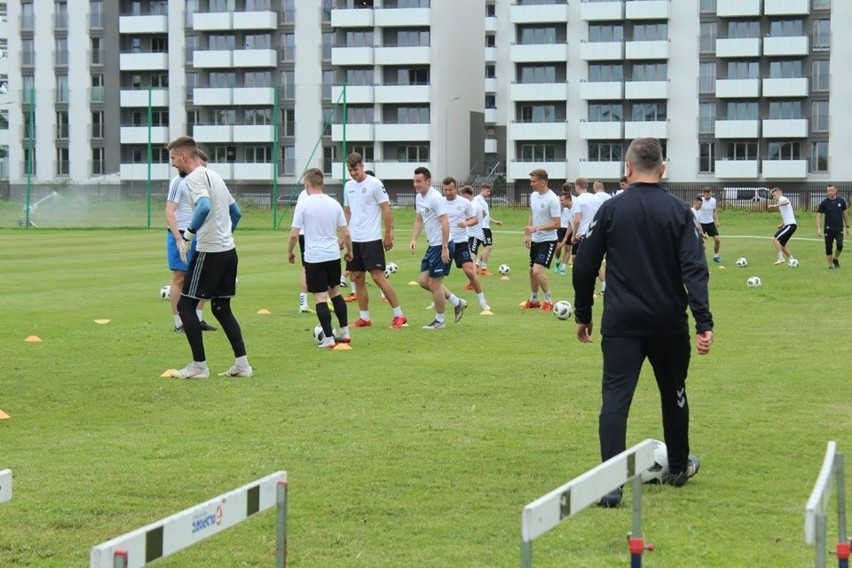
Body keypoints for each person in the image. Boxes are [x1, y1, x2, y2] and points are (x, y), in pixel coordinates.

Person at [573, 137, 713, 508]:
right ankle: (679, 467)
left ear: (628, 168)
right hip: (669, 323)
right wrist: (703, 321)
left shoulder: (611, 209)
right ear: (662, 169)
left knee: (616, 399)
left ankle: (610, 486)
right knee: (675, 393)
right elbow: (695, 269)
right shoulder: (680, 211)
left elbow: (585, 265)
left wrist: (583, 314)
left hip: (622, 323)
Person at [166, 136, 252, 379]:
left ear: (183, 156)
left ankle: (199, 367)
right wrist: (225, 234)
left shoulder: (194, 178)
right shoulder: (214, 176)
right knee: (221, 307)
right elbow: (236, 213)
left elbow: (203, 206)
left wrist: (188, 236)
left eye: (173, 159)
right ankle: (242, 364)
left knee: (185, 306)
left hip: (209, 251)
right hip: (228, 252)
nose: (173, 164)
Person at [287, 168, 353, 348]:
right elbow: (346, 233)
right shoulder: (334, 204)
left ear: (307, 184)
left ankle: (330, 338)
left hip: (314, 257)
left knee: (320, 298)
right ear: (322, 184)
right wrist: (349, 251)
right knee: (336, 293)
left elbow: (294, 234)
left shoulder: (304, 204)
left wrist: (290, 252)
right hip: (332, 255)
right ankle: (345, 332)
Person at [343, 153, 407, 329]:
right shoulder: (348, 186)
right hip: (354, 240)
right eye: (350, 170)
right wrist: (343, 236)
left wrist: (388, 234)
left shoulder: (375, 184)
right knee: (357, 278)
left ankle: (399, 315)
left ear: (362, 166)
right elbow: (347, 212)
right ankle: (364, 318)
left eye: (355, 169)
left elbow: (386, 209)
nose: (353, 173)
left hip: (371, 239)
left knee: (378, 277)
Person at [165, 150, 216, 333]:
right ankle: (179, 323)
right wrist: (179, 239)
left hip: (201, 235)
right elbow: (169, 212)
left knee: (202, 277)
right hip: (180, 233)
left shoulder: (205, 181)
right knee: (180, 277)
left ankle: (198, 320)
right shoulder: (179, 182)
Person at [409, 167, 467, 329]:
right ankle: (457, 302)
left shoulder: (435, 198)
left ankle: (440, 320)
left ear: (428, 181)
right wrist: (414, 238)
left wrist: (444, 248)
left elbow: (445, 222)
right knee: (423, 281)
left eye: (419, 181)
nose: (416, 184)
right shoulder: (419, 198)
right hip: (432, 245)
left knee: (434, 284)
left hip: (443, 245)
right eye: (414, 181)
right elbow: (420, 219)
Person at [442, 179, 490, 311]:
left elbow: (475, 219)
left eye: (450, 189)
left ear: (456, 188)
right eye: (445, 190)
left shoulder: (464, 203)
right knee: (437, 274)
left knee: (469, 271)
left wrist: (466, 223)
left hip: (461, 242)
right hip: (445, 243)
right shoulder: (440, 202)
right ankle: (437, 301)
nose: (447, 192)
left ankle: (482, 301)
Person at [520, 168, 560, 311]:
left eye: (534, 181)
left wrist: (536, 228)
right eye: (531, 181)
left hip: (548, 240)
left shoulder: (553, 199)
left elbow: (557, 224)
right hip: (536, 239)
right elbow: (532, 214)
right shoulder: (533, 196)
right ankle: (534, 300)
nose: (531, 184)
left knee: (537, 271)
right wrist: (528, 234)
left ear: (543, 182)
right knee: (531, 271)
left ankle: (549, 300)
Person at [571, 176, 605, 294]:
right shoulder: (596, 199)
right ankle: (604, 285)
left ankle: (584, 287)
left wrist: (574, 235)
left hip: (584, 234)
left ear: (577, 186)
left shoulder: (578, 200)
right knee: (579, 258)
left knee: (583, 262)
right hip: (597, 233)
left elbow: (576, 220)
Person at [816, 183, 849, 269]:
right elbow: (819, 215)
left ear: (835, 190)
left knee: (840, 245)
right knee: (828, 247)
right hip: (828, 229)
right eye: (828, 191)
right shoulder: (824, 203)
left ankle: (835, 258)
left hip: (839, 228)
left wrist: (847, 226)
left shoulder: (841, 201)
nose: (829, 192)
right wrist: (819, 228)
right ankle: (830, 266)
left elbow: (845, 214)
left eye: (831, 190)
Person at [473, 182, 503, 275]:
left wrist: (494, 222)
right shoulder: (477, 199)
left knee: (488, 247)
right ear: (483, 190)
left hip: (486, 227)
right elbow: (477, 212)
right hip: (482, 227)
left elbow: (485, 215)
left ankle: (477, 264)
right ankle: (484, 269)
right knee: (488, 246)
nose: (489, 194)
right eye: (488, 191)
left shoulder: (483, 201)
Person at [768, 187, 798, 265]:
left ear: (779, 193)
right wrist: (782, 224)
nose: (774, 197)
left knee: (774, 239)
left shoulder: (782, 198)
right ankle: (792, 260)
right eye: (773, 196)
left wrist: (775, 206)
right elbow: (788, 215)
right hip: (789, 225)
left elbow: (786, 201)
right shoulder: (780, 202)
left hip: (790, 225)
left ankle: (781, 258)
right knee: (782, 244)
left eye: (774, 195)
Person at [698, 187, 722, 263]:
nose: (708, 194)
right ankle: (699, 258)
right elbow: (696, 210)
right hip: (701, 224)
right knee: (699, 243)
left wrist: (717, 221)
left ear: (711, 193)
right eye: (707, 193)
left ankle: (716, 256)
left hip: (710, 223)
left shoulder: (713, 200)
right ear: (704, 193)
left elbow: (714, 210)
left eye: (710, 193)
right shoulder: (700, 201)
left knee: (717, 240)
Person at [553, 186, 574, 276]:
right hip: (561, 227)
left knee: (567, 248)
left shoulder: (574, 201)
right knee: (558, 247)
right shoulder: (559, 200)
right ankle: (557, 261)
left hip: (570, 226)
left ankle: (563, 267)